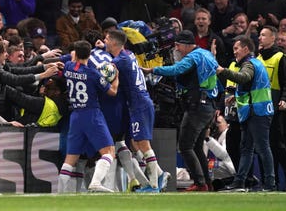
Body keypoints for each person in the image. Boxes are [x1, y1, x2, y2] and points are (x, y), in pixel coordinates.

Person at [142, 30, 219, 191]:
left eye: (178, 45)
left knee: (185, 146)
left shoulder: (194, 57)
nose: (176, 48)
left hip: (197, 106)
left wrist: (153, 70)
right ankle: (207, 184)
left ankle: (200, 184)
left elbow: (176, 70)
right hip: (208, 105)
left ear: (186, 44)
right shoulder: (206, 54)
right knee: (197, 147)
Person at [104, 29, 169, 193]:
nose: (104, 41)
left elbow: (105, 73)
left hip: (139, 104)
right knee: (136, 142)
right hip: (139, 103)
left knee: (143, 144)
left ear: (113, 42)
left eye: (106, 39)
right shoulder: (129, 55)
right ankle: (160, 175)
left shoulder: (120, 61)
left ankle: (154, 185)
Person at [216, 35, 276, 192]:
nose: (234, 52)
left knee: (261, 148)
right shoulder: (255, 63)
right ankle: (240, 181)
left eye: (236, 48)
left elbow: (244, 78)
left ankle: (270, 183)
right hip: (255, 111)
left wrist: (223, 71)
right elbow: (251, 85)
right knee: (247, 148)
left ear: (246, 49)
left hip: (258, 112)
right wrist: (235, 95)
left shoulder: (249, 64)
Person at [57, 40, 118, 193]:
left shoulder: (68, 67)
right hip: (91, 114)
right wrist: (116, 78)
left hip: (75, 115)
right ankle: (96, 182)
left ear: (75, 54)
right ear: (89, 55)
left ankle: (59, 194)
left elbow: (72, 60)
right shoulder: (93, 74)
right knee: (109, 151)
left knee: (70, 160)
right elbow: (112, 92)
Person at [256, 26, 286, 192]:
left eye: (263, 35)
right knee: (264, 146)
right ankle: (269, 182)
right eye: (259, 35)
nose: (260, 38)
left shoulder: (279, 58)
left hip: (274, 107)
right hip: (259, 108)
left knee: (277, 144)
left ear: (272, 39)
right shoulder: (258, 59)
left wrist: (285, 99)